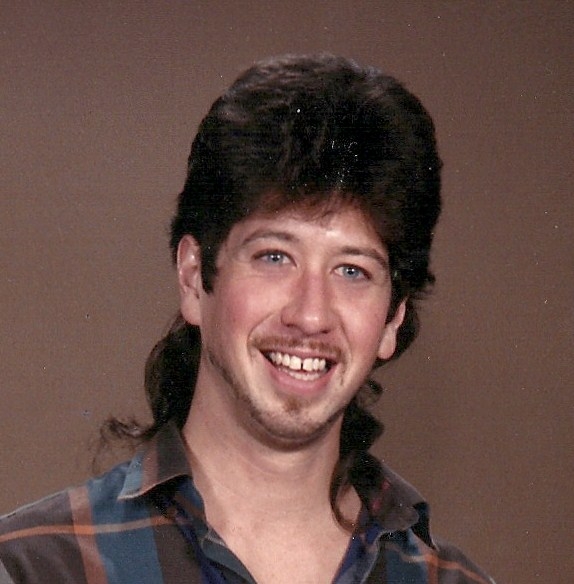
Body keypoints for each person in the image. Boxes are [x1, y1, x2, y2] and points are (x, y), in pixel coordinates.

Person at [0, 54, 495, 583]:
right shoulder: (35, 568)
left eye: (352, 270)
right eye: (274, 257)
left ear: (393, 318)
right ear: (194, 277)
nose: (311, 314)